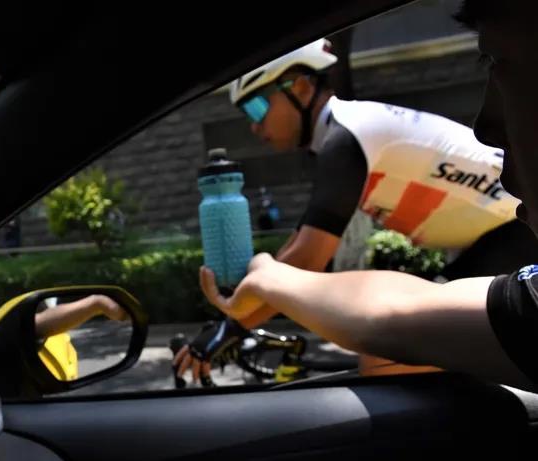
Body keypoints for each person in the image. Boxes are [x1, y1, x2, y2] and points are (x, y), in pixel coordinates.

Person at [186, 0, 538, 390]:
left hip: (510, 229)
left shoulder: (346, 136)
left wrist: (229, 329)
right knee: (401, 355)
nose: (254, 126)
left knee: (390, 356)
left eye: (255, 107)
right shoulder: (341, 134)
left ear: (300, 87)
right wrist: (237, 316)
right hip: (491, 236)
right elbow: (298, 248)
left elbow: (307, 259)